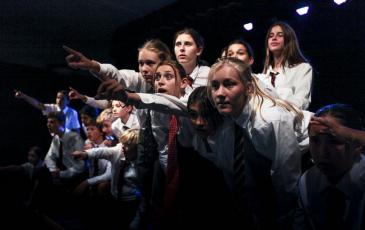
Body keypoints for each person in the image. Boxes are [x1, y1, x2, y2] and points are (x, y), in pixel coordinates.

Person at [207, 57, 305, 228]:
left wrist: (285, 220)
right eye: (215, 86)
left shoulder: (268, 120)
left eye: (229, 84)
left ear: (249, 88)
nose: (220, 93)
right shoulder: (227, 117)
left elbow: (286, 177)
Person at [294, 104, 365, 230]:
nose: (322, 153)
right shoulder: (308, 181)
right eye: (315, 141)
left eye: (335, 141)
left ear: (357, 144)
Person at [72, 128, 141, 230]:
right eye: (123, 144)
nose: (123, 148)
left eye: (128, 145)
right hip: (114, 197)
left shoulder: (142, 163)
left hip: (131, 202)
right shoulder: (119, 151)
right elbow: (101, 151)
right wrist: (85, 154)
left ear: (137, 148)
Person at [64, 39, 171, 93]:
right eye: (141, 63)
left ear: (165, 62)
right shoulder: (141, 81)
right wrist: (93, 65)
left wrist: (128, 98)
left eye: (150, 63)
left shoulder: (178, 87)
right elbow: (117, 75)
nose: (144, 69)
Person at [257, 21, 313, 110]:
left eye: (280, 35)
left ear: (289, 40)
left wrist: (276, 102)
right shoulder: (263, 76)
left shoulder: (302, 68)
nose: (274, 38)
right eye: (271, 36)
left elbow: (302, 101)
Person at [15, 89, 81, 133]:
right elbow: (38, 104)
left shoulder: (72, 112)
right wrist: (24, 96)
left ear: (68, 101)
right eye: (58, 98)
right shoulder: (52, 107)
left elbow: (77, 131)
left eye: (62, 99)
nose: (59, 100)